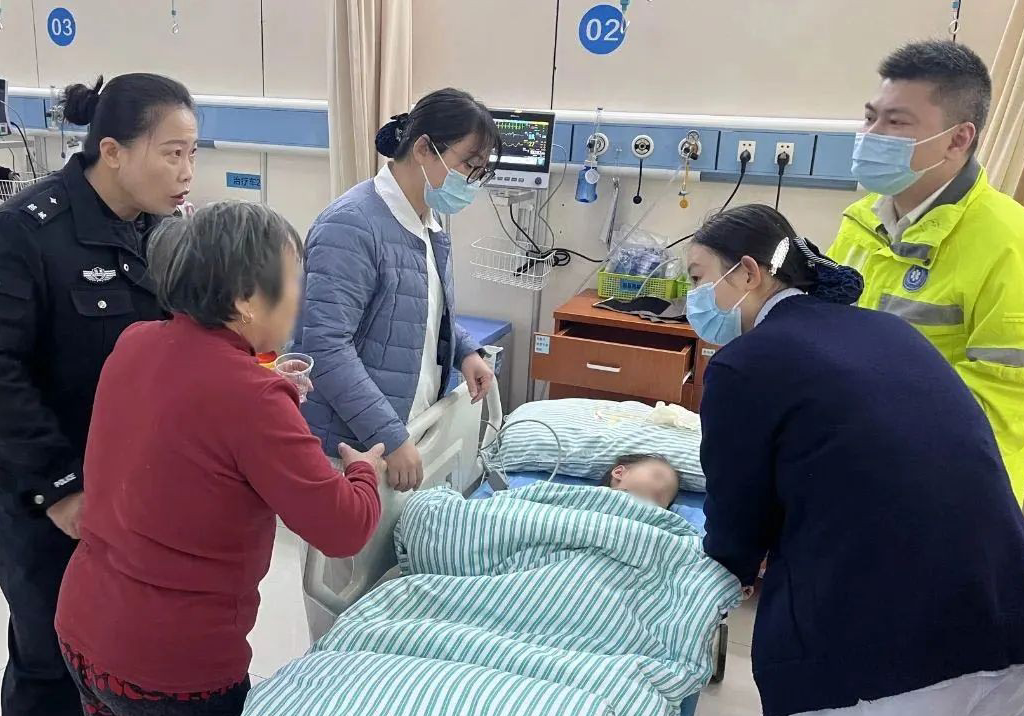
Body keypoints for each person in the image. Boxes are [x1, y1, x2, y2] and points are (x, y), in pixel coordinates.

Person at [687, 204, 1024, 716]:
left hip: (890, 652)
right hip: (1004, 617)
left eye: (697, 278)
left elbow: (737, 523)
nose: (692, 297)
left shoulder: (746, 364)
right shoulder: (889, 330)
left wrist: (716, 574)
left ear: (749, 272)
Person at [55, 201, 384, 716]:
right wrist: (364, 471)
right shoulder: (253, 398)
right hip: (172, 669)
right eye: (293, 280)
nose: (299, 297)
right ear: (246, 299)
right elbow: (344, 529)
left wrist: (262, 382)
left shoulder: (135, 342)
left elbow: (192, 412)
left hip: (84, 627)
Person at [0, 73, 197, 716]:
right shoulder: (29, 232)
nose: (187, 171)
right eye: (172, 153)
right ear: (112, 151)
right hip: (49, 499)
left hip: (139, 490)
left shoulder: (165, 231)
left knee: (121, 659)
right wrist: (61, 488)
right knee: (50, 661)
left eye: (193, 153)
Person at [828, 40, 1024, 505]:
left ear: (958, 139)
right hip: (859, 463)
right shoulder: (862, 222)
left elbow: (1004, 405)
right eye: (870, 117)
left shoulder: (1008, 243)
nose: (872, 135)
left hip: (957, 490)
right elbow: (826, 333)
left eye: (896, 122)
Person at [293, 88, 501, 492]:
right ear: (423, 149)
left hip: (406, 426)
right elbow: (327, 348)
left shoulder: (426, 222)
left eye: (480, 172)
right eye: (468, 165)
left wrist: (465, 351)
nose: (471, 183)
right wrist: (389, 435)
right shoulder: (351, 226)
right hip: (353, 446)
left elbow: (419, 310)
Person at [599, 454, 679, 509]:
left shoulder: (665, 520)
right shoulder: (594, 494)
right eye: (657, 476)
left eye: (669, 491)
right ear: (619, 472)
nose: (663, 487)